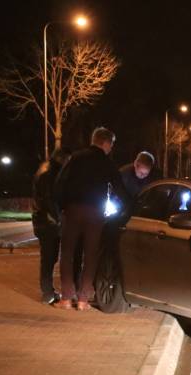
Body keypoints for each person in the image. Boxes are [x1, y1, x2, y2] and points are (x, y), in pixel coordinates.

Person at [53, 127, 124, 311]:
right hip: (95, 213)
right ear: (106, 143)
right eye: (111, 145)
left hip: (73, 210)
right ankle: (84, 300)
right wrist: (127, 209)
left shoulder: (75, 158)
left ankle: (66, 298)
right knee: (91, 255)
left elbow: (60, 183)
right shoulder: (107, 162)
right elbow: (119, 188)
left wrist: (61, 208)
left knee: (67, 253)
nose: (111, 148)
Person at [32, 148, 71, 304]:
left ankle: (48, 291)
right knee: (48, 257)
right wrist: (59, 218)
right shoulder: (48, 173)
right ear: (61, 160)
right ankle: (47, 292)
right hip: (46, 222)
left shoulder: (47, 169)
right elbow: (48, 200)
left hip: (45, 221)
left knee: (49, 257)